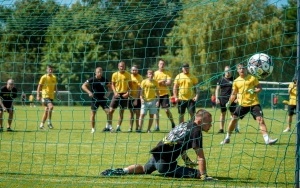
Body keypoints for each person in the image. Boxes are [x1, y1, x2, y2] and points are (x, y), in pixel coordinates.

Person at [101, 109, 216, 181]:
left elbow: (178, 142)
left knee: (144, 169)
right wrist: (204, 175)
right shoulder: (196, 131)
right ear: (200, 121)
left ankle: (122, 170)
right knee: (197, 174)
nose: (211, 125)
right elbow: (200, 156)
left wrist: (186, 160)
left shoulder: (184, 124)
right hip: (165, 164)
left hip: (156, 156)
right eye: (209, 122)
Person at [220, 63, 278, 145]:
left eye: (243, 68)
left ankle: (267, 139)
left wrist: (254, 91)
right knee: (233, 119)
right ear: (237, 70)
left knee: (260, 120)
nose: (242, 70)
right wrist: (229, 102)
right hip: (242, 105)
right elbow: (233, 93)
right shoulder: (236, 81)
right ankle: (227, 138)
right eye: (240, 68)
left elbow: (259, 88)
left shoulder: (253, 78)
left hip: (254, 103)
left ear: (246, 69)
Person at [81, 67, 112, 133]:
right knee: (93, 114)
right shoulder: (92, 79)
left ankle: (108, 126)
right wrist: (89, 92)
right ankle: (93, 129)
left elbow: (110, 87)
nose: (100, 73)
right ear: (95, 72)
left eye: (101, 72)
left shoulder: (104, 79)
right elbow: (83, 86)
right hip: (94, 99)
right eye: (98, 72)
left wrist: (107, 94)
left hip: (103, 99)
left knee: (109, 112)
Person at [108, 61, 131, 132]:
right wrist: (115, 92)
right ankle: (110, 126)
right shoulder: (114, 74)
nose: (122, 67)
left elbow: (130, 86)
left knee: (121, 112)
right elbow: (112, 84)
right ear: (118, 67)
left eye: (123, 66)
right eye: (120, 66)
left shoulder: (128, 75)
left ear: (125, 67)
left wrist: (127, 93)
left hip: (124, 95)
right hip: (117, 94)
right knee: (111, 111)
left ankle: (118, 127)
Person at [153, 59, 176, 131]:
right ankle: (157, 126)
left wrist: (161, 83)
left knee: (166, 110)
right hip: (156, 94)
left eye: (163, 64)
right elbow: (154, 83)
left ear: (164, 65)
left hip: (165, 94)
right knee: (156, 111)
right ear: (158, 65)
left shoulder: (168, 73)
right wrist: (162, 81)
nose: (162, 65)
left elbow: (169, 83)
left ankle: (172, 123)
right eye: (160, 64)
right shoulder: (155, 73)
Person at [215, 66, 239, 134]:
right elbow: (217, 89)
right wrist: (217, 98)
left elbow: (238, 90)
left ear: (231, 71)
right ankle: (221, 129)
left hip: (232, 99)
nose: (227, 72)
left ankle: (236, 128)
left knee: (234, 114)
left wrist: (237, 98)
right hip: (223, 99)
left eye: (229, 71)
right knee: (223, 114)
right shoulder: (221, 80)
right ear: (224, 71)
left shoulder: (235, 79)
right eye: (226, 71)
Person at [36, 64, 58, 129]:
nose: (50, 70)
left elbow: (55, 85)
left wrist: (57, 90)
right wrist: (38, 95)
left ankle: (41, 124)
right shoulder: (44, 77)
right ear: (47, 70)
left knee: (46, 110)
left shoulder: (54, 77)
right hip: (45, 95)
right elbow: (39, 86)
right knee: (51, 107)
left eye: (51, 69)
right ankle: (49, 122)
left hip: (51, 96)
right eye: (49, 69)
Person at [128, 65, 143, 132]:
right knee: (131, 114)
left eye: (135, 70)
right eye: (133, 70)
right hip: (130, 98)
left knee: (137, 113)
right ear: (131, 71)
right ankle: (130, 128)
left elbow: (140, 89)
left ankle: (137, 128)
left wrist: (136, 99)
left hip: (137, 98)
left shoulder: (140, 77)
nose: (134, 71)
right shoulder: (129, 76)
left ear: (138, 70)